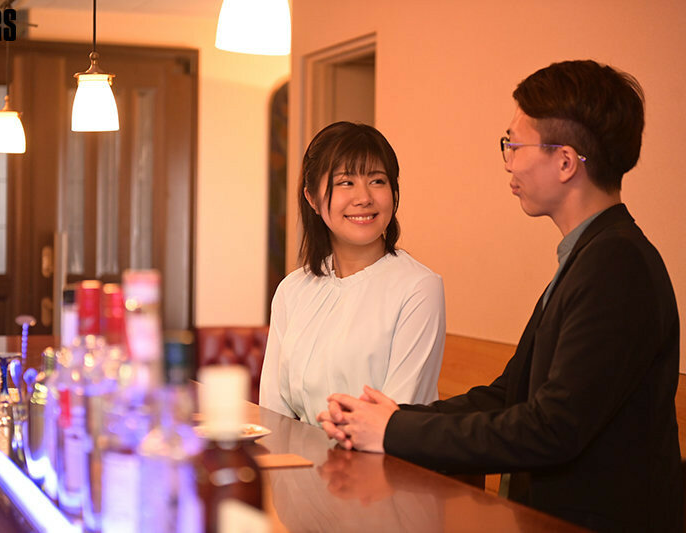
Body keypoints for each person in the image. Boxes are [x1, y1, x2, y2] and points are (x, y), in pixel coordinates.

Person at [318, 60, 682, 532]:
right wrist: (390, 418)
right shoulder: (591, 255)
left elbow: (551, 428)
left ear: (565, 162)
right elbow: (509, 395)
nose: (508, 160)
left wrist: (393, 430)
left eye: (514, 143)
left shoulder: (616, 265)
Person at [259, 121, 446, 426]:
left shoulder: (418, 287)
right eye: (346, 182)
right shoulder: (292, 290)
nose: (364, 198)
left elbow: (397, 419)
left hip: (380, 455)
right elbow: (273, 412)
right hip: (294, 454)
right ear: (312, 198)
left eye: (377, 181)